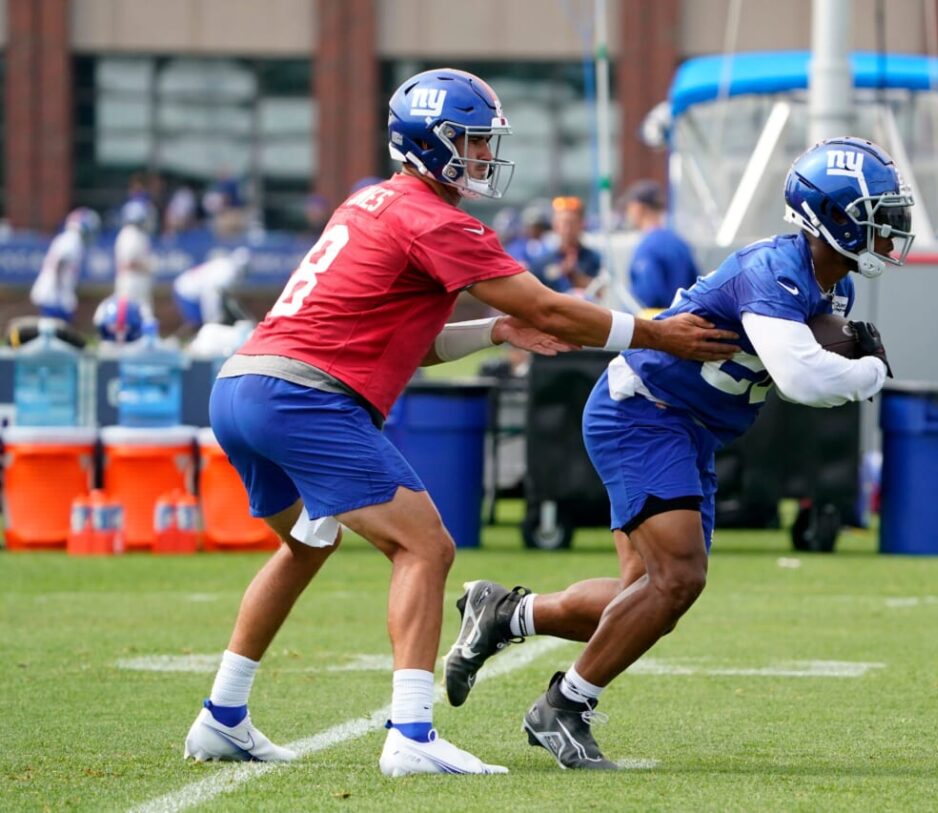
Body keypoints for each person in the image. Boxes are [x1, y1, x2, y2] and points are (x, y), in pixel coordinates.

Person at [181, 67, 737, 777]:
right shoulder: (434, 218)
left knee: (305, 546)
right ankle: (411, 732)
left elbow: (404, 345)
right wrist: (659, 334)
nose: (482, 155)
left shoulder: (368, 204)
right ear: (427, 142)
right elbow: (551, 307)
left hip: (243, 386)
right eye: (470, 141)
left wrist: (495, 332)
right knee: (426, 547)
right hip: (302, 399)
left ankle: (222, 715)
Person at [443, 136, 915, 770]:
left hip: (686, 427)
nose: (889, 225)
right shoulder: (774, 271)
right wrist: (871, 372)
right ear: (831, 215)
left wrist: (842, 354)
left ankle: (504, 613)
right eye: (875, 212)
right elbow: (804, 380)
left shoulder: (832, 290)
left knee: (641, 596)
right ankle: (564, 706)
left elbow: (801, 361)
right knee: (678, 579)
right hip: (646, 410)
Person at [620, 179, 700, 308]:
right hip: (683, 316)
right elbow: (697, 287)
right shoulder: (680, 243)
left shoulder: (646, 248)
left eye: (628, 208)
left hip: (657, 318)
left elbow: (648, 296)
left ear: (638, 208)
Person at [30, 207, 100, 322]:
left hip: (54, 294)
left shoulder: (67, 238)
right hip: (55, 297)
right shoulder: (73, 240)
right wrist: (59, 292)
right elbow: (60, 262)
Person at [530, 196, 600, 294]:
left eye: (572, 223)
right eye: (563, 223)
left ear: (582, 224)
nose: (568, 230)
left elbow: (601, 291)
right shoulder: (541, 262)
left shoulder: (594, 259)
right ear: (555, 225)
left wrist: (574, 275)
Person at [172, 247, 252, 329]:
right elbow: (209, 293)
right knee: (197, 324)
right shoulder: (227, 274)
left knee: (201, 324)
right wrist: (213, 320)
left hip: (190, 287)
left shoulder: (226, 265)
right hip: (187, 290)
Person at [114, 198, 156, 316]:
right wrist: (147, 266)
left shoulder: (138, 234)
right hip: (132, 282)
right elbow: (128, 263)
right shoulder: (130, 235)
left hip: (137, 281)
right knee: (137, 316)